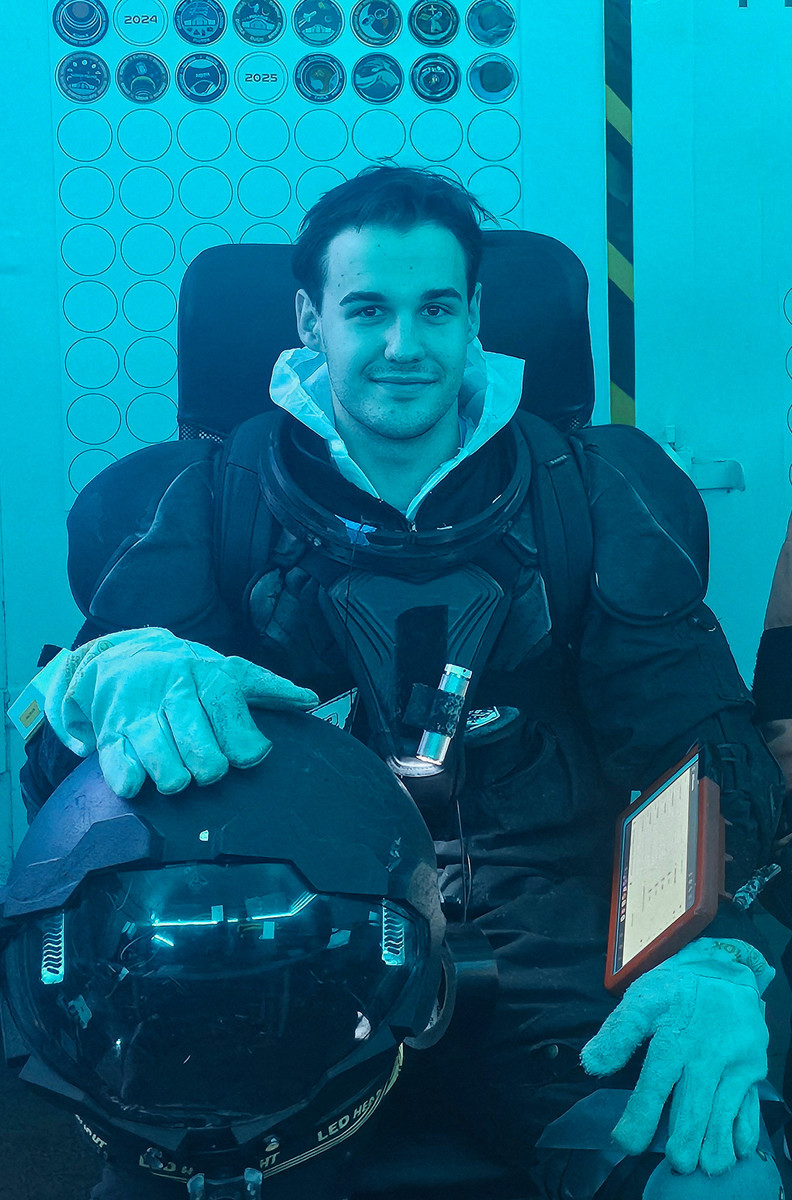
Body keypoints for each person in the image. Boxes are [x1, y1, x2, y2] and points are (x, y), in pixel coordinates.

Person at [18, 166, 788, 1199]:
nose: (403, 346)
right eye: (368, 309)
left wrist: (709, 949)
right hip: (274, 935)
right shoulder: (200, 503)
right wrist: (102, 687)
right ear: (311, 319)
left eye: (435, 309)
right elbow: (65, 794)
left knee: (713, 1176)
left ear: (474, 315)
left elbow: (688, 751)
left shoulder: (594, 493)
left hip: (562, 933)